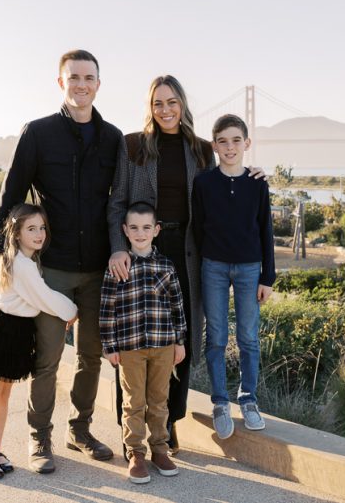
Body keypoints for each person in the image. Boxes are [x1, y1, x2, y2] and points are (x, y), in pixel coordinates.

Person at [107, 75, 265, 455]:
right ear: (150, 106)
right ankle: (132, 429)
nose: (166, 110)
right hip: (143, 247)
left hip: (188, 252)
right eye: (158, 103)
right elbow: (116, 203)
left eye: (172, 102)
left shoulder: (200, 149)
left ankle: (169, 422)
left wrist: (254, 180)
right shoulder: (132, 146)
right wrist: (118, 248)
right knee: (135, 336)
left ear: (183, 105)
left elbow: (221, 188)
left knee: (181, 336)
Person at [0, 49, 126, 473]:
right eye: (74, 78)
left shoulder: (114, 138)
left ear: (99, 84)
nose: (81, 85)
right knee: (46, 359)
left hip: (98, 269)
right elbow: (10, 200)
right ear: (61, 83)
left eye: (89, 78)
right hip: (50, 271)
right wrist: (6, 259)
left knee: (90, 356)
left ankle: (80, 430)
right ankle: (39, 438)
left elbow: (122, 200)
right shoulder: (38, 133)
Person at [0, 204, 78, 480]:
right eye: (31, 228)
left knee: (4, 397)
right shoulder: (21, 264)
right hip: (5, 331)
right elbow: (43, 297)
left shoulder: (24, 260)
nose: (39, 233)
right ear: (17, 233)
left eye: (42, 228)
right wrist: (72, 310)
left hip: (18, 332)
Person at [192, 114, 276, 438]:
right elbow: (198, 228)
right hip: (213, 266)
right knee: (216, 337)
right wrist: (205, 262)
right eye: (223, 141)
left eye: (236, 140)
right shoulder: (203, 183)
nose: (230, 147)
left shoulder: (258, 183)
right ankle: (220, 403)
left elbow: (265, 230)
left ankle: (249, 401)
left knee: (248, 337)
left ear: (247, 144)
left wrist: (267, 277)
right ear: (214, 145)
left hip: (249, 268)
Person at [100, 202, 186, 484]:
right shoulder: (118, 266)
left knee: (159, 400)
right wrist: (110, 345)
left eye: (146, 227)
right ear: (125, 230)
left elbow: (177, 305)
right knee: (133, 402)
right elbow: (107, 308)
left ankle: (160, 450)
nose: (140, 233)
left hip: (162, 344)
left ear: (156, 230)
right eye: (134, 228)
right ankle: (135, 453)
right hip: (130, 346)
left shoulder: (166, 265)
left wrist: (179, 341)